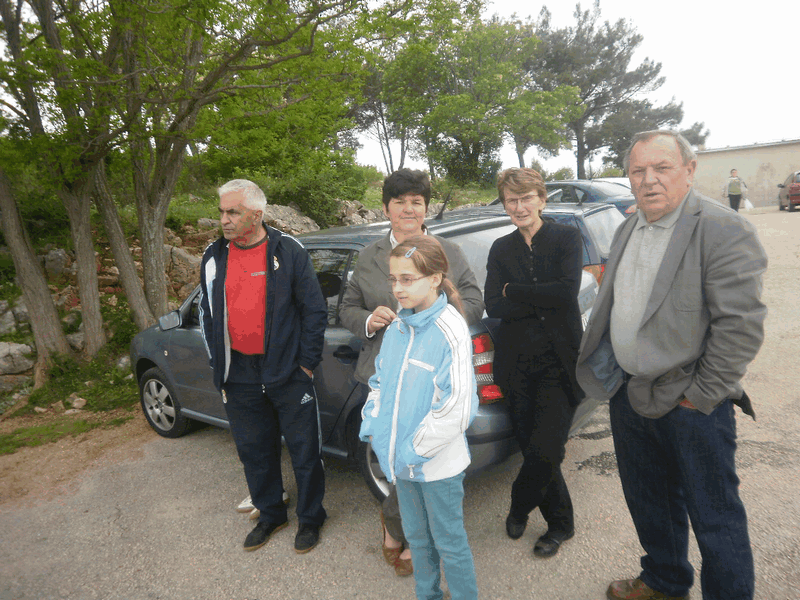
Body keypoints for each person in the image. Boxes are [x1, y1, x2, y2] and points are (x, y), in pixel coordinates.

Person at [576, 131, 767, 600]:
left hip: (690, 401)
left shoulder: (722, 228)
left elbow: (740, 326)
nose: (649, 180)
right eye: (638, 171)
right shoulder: (628, 227)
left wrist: (699, 396)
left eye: (661, 168)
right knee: (649, 502)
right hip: (629, 393)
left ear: (689, 170)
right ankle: (664, 580)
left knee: (714, 515)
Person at [339, 168, 484, 576]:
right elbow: (347, 308)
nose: (408, 209)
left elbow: (474, 300)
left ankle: (403, 530)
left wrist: (433, 320)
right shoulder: (368, 255)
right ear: (386, 208)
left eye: (416, 202)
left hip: (431, 379)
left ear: (425, 209)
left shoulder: (448, 251)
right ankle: (405, 530)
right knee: (396, 462)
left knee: (426, 462)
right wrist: (368, 320)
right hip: (382, 376)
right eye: (400, 201)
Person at [199, 179, 328, 553]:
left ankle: (310, 518)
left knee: (305, 451)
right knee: (254, 451)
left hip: (288, 371)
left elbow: (314, 311)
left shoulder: (288, 251)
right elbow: (207, 313)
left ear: (256, 215)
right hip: (238, 374)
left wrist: (306, 365)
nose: (224, 219)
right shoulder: (214, 256)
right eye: (222, 211)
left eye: (232, 212)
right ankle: (271, 514)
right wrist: (219, 365)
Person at [359, 235, 479, 600]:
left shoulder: (450, 330)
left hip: (436, 466)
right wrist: (374, 427)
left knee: (450, 543)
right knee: (418, 539)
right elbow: (379, 382)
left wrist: (411, 450)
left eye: (407, 279)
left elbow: (457, 408)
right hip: (402, 464)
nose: (397, 288)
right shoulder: (397, 327)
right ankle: (427, 594)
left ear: (435, 278)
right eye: (393, 279)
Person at [484, 168, 584, 559]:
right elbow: (495, 305)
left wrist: (516, 291)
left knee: (547, 450)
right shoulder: (500, 248)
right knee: (532, 449)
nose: (520, 206)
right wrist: (537, 296)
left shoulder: (566, 237)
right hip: (516, 365)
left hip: (560, 364)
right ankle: (561, 524)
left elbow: (566, 293)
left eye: (527, 198)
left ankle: (519, 505)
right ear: (504, 205)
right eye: (512, 200)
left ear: (542, 199)